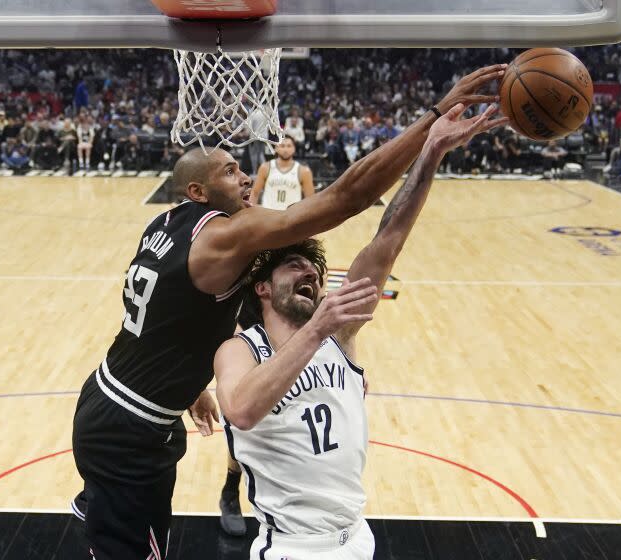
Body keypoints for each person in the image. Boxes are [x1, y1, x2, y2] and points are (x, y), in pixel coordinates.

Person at [71, 65, 507, 560]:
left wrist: (189, 384)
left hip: (121, 404)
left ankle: (103, 507)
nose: (244, 178)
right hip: (133, 425)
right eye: (230, 172)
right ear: (198, 193)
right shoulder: (228, 248)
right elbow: (350, 197)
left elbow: (161, 316)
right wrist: (430, 120)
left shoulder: (166, 223)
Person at [213, 103, 507, 560]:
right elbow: (241, 411)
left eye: (313, 267)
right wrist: (316, 332)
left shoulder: (339, 332)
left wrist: (430, 153)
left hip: (357, 538)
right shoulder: (241, 350)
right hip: (292, 548)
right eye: (295, 265)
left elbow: (388, 239)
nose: (310, 272)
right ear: (263, 288)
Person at [249, 136, 315, 211]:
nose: (285, 149)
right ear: (276, 148)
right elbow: (255, 193)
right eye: (282, 146)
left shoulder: (304, 171)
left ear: (294, 149)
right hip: (269, 217)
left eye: (289, 146)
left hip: (292, 218)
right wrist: (249, 213)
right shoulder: (265, 167)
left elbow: (310, 200)